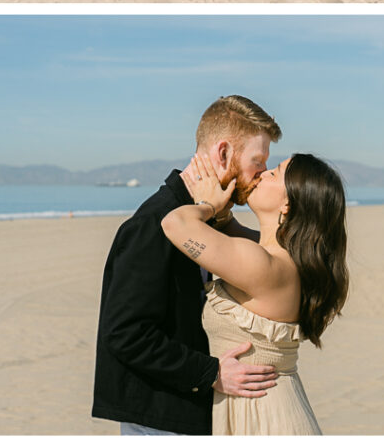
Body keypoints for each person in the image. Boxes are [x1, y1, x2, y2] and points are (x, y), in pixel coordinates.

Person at [92, 95, 282, 436]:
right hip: (159, 420)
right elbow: (124, 333)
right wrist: (211, 373)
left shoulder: (208, 219)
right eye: (258, 161)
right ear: (223, 153)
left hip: (190, 414)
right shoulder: (153, 223)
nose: (261, 173)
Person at [162, 150, 348, 434]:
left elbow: (174, 224)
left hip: (264, 417)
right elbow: (233, 232)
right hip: (269, 407)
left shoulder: (264, 265)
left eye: (274, 173)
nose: (262, 173)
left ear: (287, 203)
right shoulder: (282, 259)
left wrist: (207, 204)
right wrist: (224, 209)